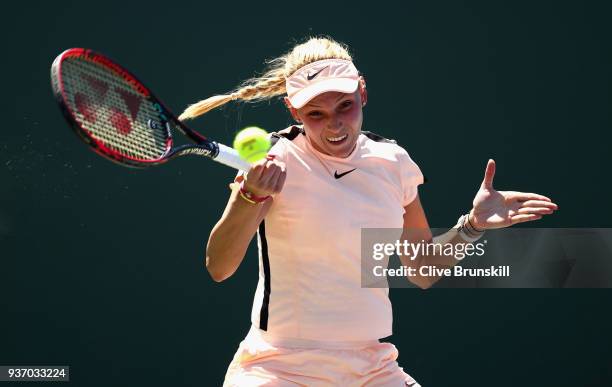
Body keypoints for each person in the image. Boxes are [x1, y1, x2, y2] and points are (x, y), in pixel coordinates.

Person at [179, 37, 558, 386]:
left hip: (371, 368)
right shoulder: (271, 160)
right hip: (279, 368)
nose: (335, 124)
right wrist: (251, 196)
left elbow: (422, 271)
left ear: (362, 91)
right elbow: (219, 266)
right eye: (316, 113)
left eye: (345, 105)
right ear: (292, 109)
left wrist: (472, 226)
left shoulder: (393, 162)